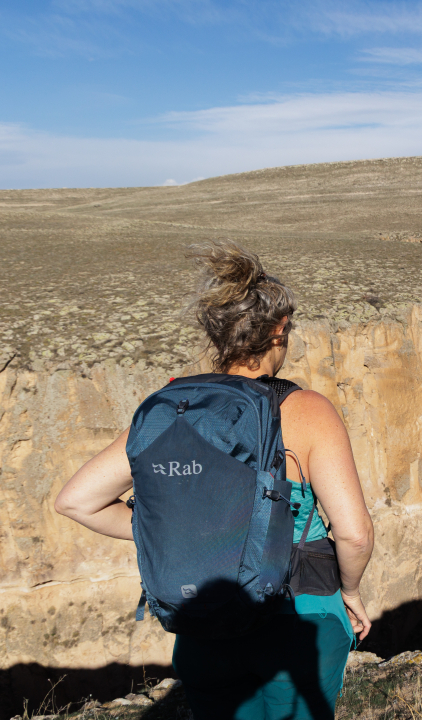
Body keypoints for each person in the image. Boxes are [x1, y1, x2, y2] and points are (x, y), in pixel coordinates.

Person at [55, 240, 374, 720]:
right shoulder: (306, 411)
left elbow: (76, 502)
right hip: (297, 619)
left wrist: (165, 527)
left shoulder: (173, 411)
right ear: (279, 331)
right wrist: (349, 592)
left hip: (205, 626)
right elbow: (355, 534)